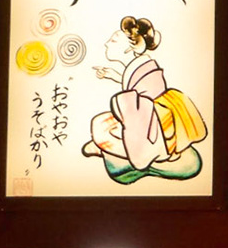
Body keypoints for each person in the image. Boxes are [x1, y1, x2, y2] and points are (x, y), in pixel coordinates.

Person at [81, 15, 206, 181]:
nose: (106, 43)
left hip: (154, 124)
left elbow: (140, 105)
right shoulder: (142, 64)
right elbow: (135, 84)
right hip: (149, 116)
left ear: (128, 48)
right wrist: (113, 75)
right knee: (102, 123)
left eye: (113, 40)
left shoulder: (142, 74)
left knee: (101, 128)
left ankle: (113, 150)